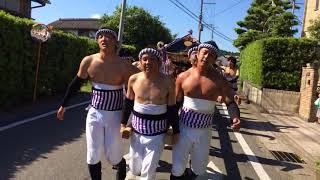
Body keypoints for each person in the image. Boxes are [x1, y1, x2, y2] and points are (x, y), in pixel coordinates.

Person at [56, 27, 138, 180]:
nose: (104, 39)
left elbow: (142, 83)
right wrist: (63, 105)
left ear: (116, 42)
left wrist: (128, 120)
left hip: (115, 114)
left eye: (108, 36)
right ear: (97, 40)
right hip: (94, 112)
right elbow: (76, 84)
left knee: (114, 156)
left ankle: (120, 167)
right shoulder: (89, 61)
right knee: (92, 154)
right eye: (101, 36)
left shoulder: (124, 65)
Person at [170, 42, 241, 179]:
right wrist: (171, 126)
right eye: (205, 52)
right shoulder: (183, 77)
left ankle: (190, 174)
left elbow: (230, 100)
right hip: (183, 129)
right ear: (198, 53)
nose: (207, 57)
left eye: (212, 55)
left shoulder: (219, 80)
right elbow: (175, 104)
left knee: (199, 169)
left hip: (205, 131)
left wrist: (235, 117)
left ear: (215, 60)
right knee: (177, 168)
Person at [120, 47, 180, 180]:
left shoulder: (168, 81)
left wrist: (176, 131)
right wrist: (123, 124)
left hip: (157, 134)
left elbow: (172, 109)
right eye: (145, 59)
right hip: (136, 132)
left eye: (152, 59)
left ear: (159, 62)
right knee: (135, 168)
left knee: (148, 171)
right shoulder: (133, 79)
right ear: (140, 62)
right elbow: (128, 104)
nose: (148, 62)